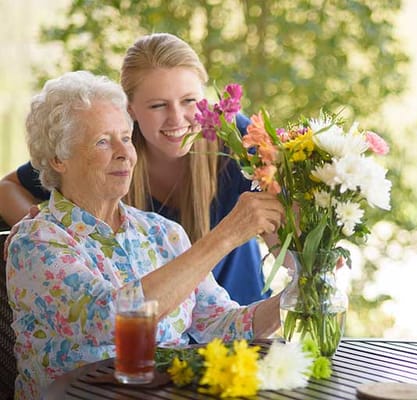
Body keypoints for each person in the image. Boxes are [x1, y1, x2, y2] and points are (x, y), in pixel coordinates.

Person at [5, 70, 284, 399]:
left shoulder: (163, 232)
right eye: (103, 142)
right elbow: (111, 320)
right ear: (58, 159)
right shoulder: (35, 241)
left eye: (126, 137)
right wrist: (223, 238)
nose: (125, 152)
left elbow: (220, 326)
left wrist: (298, 295)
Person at [0, 32, 275, 305]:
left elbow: (281, 223)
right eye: (157, 105)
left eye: (189, 100)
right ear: (129, 110)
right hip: (149, 328)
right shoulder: (108, 155)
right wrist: (41, 229)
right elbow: (7, 188)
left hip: (239, 315)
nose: (177, 118)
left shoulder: (234, 137)